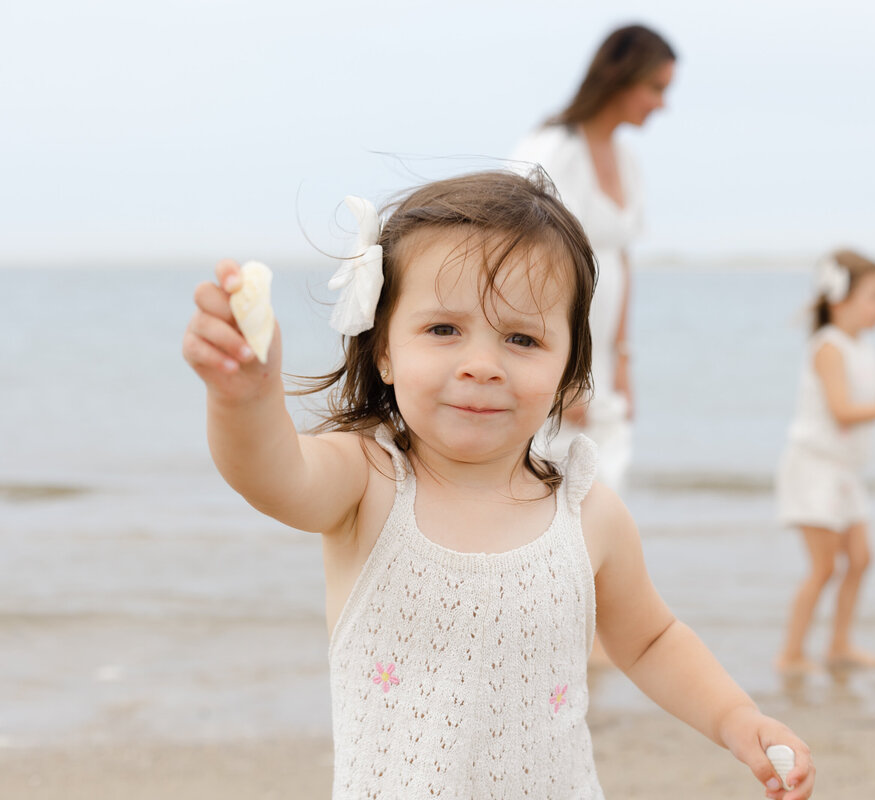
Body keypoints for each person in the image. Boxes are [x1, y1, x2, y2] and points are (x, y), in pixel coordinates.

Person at [182, 170, 813, 799]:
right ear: (384, 352)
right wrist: (244, 401)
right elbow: (272, 476)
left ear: (570, 375)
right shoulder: (369, 478)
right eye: (443, 330)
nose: (482, 365)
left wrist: (735, 717)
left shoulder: (587, 513)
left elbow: (650, 640)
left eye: (522, 338)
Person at [510, 24, 675, 493]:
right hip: (554, 363)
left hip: (600, 363)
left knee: (605, 500)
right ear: (621, 77)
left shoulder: (627, 160)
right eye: (656, 88)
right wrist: (559, 373)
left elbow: (622, 260)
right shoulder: (551, 150)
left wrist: (623, 360)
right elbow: (520, 262)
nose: (662, 103)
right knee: (547, 498)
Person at [775, 249, 875, 676]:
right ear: (839, 299)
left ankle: (839, 643)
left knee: (861, 558)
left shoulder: (863, 347)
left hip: (844, 472)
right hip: (814, 468)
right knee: (824, 566)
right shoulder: (828, 348)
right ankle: (790, 653)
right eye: (874, 296)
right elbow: (842, 411)